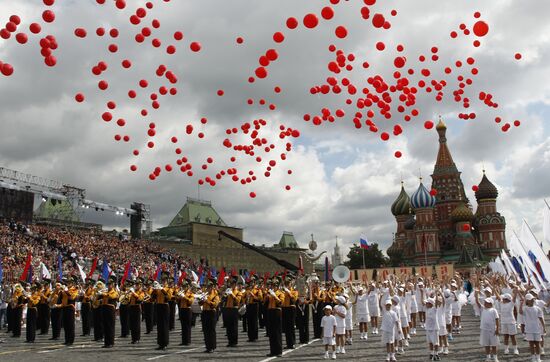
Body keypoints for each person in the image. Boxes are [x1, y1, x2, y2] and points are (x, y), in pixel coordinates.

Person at [520, 294, 546, 362]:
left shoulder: (537, 308)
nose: (532, 300)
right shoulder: (525, 308)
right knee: (531, 344)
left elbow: (541, 318)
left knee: (537, 343)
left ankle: (538, 357)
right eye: (530, 299)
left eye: (533, 299)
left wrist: (544, 327)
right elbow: (520, 312)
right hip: (529, 329)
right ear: (527, 301)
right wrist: (521, 303)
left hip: (537, 328)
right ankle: (533, 357)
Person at [475, 294, 500, 362]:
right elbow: (477, 302)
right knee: (486, 344)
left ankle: (495, 357)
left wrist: (497, 329)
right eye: (485, 302)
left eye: (487, 302)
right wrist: (476, 295)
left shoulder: (494, 310)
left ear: (490, 304)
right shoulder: (483, 308)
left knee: (494, 344)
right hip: (484, 329)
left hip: (492, 329)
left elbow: (497, 319)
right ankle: (488, 357)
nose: (485, 303)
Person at [265, 276, 285, 357]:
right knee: (271, 332)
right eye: (272, 286)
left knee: (277, 332)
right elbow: (264, 303)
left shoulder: (281, 293)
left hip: (277, 312)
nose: (273, 287)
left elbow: (281, 303)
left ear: (277, 286)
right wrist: (267, 297)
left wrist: (275, 296)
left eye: (274, 286)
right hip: (270, 311)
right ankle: (272, 350)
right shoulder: (269, 294)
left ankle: (279, 351)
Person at [151, 277, 172, 350]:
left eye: (164, 280)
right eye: (162, 280)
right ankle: (160, 343)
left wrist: (162, 289)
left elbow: (169, 297)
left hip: (165, 306)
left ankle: (165, 343)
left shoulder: (169, 288)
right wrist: (154, 290)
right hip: (158, 306)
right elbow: (153, 298)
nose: (163, 282)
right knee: (159, 326)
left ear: (167, 281)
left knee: (164, 326)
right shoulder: (158, 289)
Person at [200, 278, 220, 353]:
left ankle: (212, 347)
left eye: (209, 287)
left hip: (211, 313)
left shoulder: (215, 295)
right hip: (204, 313)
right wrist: (200, 299)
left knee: (211, 330)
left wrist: (207, 300)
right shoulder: (205, 294)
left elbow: (214, 305)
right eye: (207, 287)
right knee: (205, 330)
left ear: (212, 287)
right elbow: (200, 304)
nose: (208, 288)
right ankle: (207, 346)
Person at [222, 276, 242, 348]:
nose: (231, 285)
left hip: (234, 310)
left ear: (235, 284)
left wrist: (232, 294)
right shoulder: (228, 291)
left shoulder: (238, 292)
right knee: (228, 327)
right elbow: (223, 300)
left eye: (232, 284)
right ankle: (230, 341)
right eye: (230, 284)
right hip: (228, 309)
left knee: (234, 326)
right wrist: (225, 295)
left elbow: (237, 301)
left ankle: (234, 342)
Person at [100, 276, 119, 348]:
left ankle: (111, 342)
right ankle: (106, 342)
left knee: (110, 326)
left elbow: (111, 297)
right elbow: (99, 298)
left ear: (113, 284)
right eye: (108, 284)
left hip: (110, 309)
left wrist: (103, 293)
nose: (108, 286)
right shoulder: (106, 291)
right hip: (104, 308)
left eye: (110, 284)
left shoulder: (114, 292)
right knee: (105, 326)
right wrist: (99, 294)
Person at [60, 276, 79, 345]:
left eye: (69, 283)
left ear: (72, 283)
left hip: (70, 308)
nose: (68, 284)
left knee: (70, 325)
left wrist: (66, 291)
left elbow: (72, 297)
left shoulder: (74, 289)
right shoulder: (65, 289)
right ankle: (67, 339)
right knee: (66, 325)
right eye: (67, 283)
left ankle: (70, 340)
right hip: (65, 307)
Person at [281, 276, 298, 349]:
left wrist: (289, 292)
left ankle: (292, 343)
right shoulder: (283, 292)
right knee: (286, 327)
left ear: (291, 284)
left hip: (291, 309)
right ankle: (288, 343)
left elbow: (294, 300)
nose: (287, 285)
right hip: (285, 309)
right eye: (286, 284)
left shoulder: (294, 291)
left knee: (291, 327)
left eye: (288, 284)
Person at [244, 276, 262, 342]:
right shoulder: (248, 290)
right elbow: (243, 298)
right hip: (249, 306)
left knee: (254, 321)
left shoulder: (258, 290)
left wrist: (253, 295)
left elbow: (260, 298)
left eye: (252, 282)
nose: (251, 284)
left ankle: (255, 336)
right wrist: (246, 298)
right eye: (250, 282)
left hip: (254, 306)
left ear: (254, 282)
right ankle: (250, 337)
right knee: (249, 321)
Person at [127, 278, 145, 344]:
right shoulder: (133, 291)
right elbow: (129, 300)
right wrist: (128, 295)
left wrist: (133, 293)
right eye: (136, 284)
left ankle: (137, 338)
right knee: (132, 324)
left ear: (140, 285)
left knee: (136, 324)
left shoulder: (141, 292)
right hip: (131, 307)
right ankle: (133, 339)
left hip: (137, 308)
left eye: (137, 285)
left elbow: (140, 298)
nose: (136, 286)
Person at [177, 280, 194, 346]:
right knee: (183, 326)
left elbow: (190, 301)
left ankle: (188, 341)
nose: (183, 288)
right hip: (182, 309)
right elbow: (177, 300)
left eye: (184, 286)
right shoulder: (182, 292)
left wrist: (184, 296)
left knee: (187, 326)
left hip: (188, 310)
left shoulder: (190, 293)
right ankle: (183, 341)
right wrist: (178, 297)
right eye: (183, 286)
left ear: (187, 286)